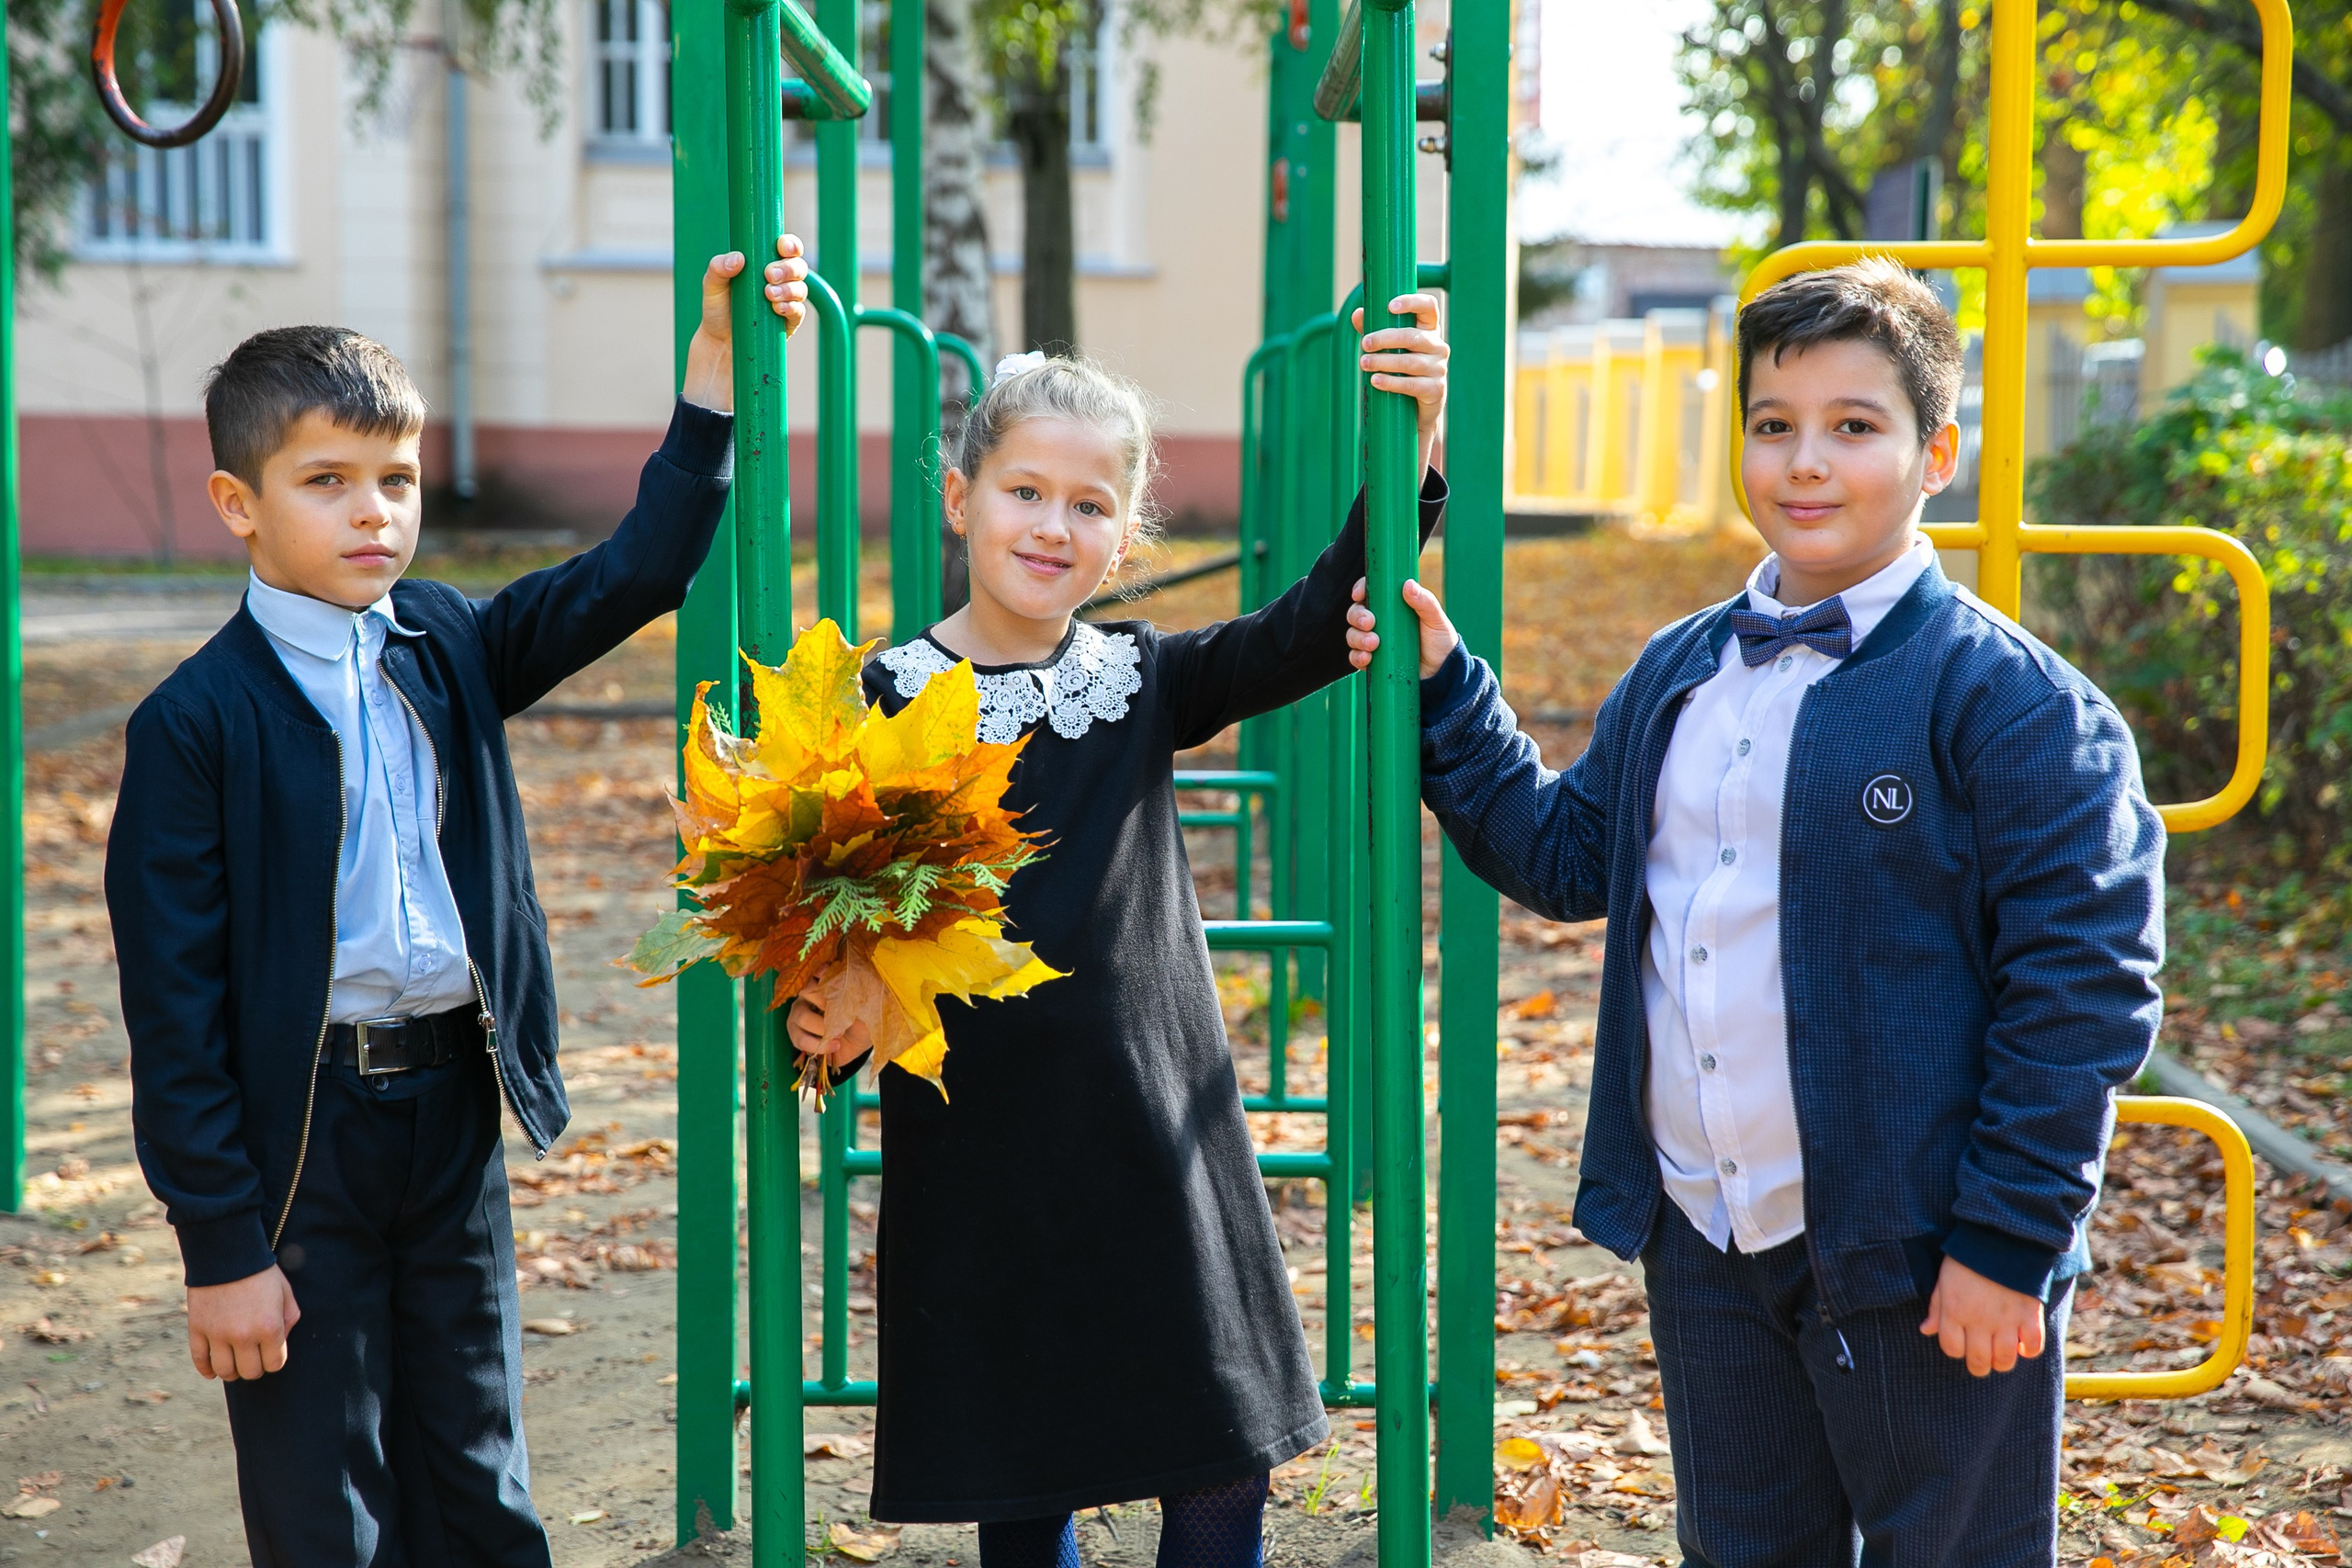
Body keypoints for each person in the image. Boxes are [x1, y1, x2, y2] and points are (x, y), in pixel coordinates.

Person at [1344, 258, 2164, 1563]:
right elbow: (1569, 858)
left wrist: (2010, 1243)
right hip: (1711, 1236)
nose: (1806, 462)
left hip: (1919, 1251)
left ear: (1934, 451)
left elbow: (2081, 994)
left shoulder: (2012, 705)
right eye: (1774, 425)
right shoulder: (1684, 670)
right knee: (1743, 1549)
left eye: (1855, 426)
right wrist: (1450, 691)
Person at [103, 239, 808, 1566]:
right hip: (295, 1135)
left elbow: (636, 574)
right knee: (329, 1493)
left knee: (477, 1464)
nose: (374, 512)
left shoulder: (450, 643)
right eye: (328, 484)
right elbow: (176, 1007)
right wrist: (220, 1246)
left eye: (397, 480)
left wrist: (710, 375)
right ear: (237, 503)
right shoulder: (196, 724)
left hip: (449, 1108)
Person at [786, 301, 1451, 1566]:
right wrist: (827, 998)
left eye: (1091, 505)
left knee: (1216, 1463)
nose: (1053, 526)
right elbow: (826, 909)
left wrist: (1413, 442)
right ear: (961, 497)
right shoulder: (882, 699)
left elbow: (1314, 622)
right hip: (985, 1150)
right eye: (1025, 491)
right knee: (1024, 1476)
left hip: (1155, 1134)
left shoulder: (1141, 682)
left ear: (1126, 534)